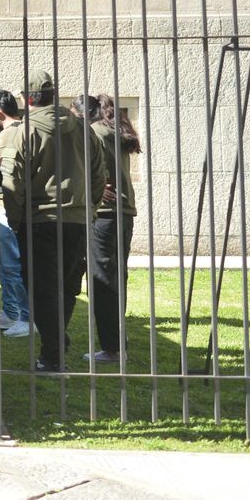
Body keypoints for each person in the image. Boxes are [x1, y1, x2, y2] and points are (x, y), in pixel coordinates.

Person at [0, 71, 107, 372]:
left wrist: (16, 220)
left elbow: (12, 181)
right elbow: (99, 175)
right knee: (67, 286)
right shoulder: (84, 129)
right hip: (77, 220)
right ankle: (56, 345)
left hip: (40, 221)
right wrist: (90, 209)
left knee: (41, 289)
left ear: (25, 98)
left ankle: (54, 352)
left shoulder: (25, 131)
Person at [71, 93, 141, 364]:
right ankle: (117, 344)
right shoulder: (115, 130)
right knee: (116, 280)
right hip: (123, 213)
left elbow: (83, 171)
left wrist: (96, 190)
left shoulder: (94, 133)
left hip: (105, 214)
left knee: (102, 282)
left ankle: (112, 349)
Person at [0, 91, 34, 339]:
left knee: (11, 266)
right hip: (14, 205)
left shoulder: (8, 134)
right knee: (10, 265)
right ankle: (12, 312)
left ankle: (20, 314)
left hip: (8, 205)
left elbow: (0, 167)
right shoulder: (25, 129)